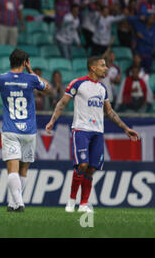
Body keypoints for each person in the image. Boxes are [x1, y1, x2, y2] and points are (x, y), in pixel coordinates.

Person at [45, 56, 139, 213]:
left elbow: (109, 111)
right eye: (103, 65)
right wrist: (52, 121)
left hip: (97, 132)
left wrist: (125, 128)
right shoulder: (77, 83)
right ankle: (71, 200)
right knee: (82, 165)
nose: (106, 68)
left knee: (91, 169)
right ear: (93, 68)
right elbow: (62, 103)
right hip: (81, 130)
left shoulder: (102, 88)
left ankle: (83, 204)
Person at [0, 49, 50, 212]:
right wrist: (31, 71)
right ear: (25, 62)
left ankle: (17, 203)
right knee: (23, 169)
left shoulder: (1, 79)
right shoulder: (32, 79)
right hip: (29, 131)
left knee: (12, 168)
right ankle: (15, 203)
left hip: (11, 129)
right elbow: (48, 89)